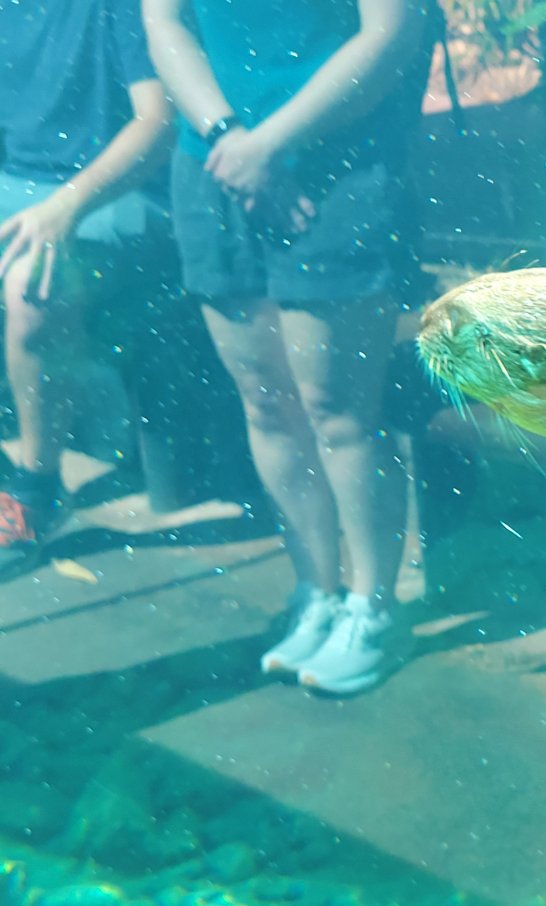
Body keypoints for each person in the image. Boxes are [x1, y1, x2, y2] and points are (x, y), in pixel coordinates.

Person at [142, 0, 435, 695]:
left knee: (340, 412)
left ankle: (373, 609)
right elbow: (165, 21)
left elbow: (390, 34)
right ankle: (318, 591)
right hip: (214, 167)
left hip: (337, 172)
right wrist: (227, 134)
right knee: (268, 404)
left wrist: (268, 144)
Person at [0, 0, 174, 567]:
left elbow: (157, 121)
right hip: (18, 187)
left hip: (116, 193)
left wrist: (66, 206)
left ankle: (37, 489)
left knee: (34, 288)